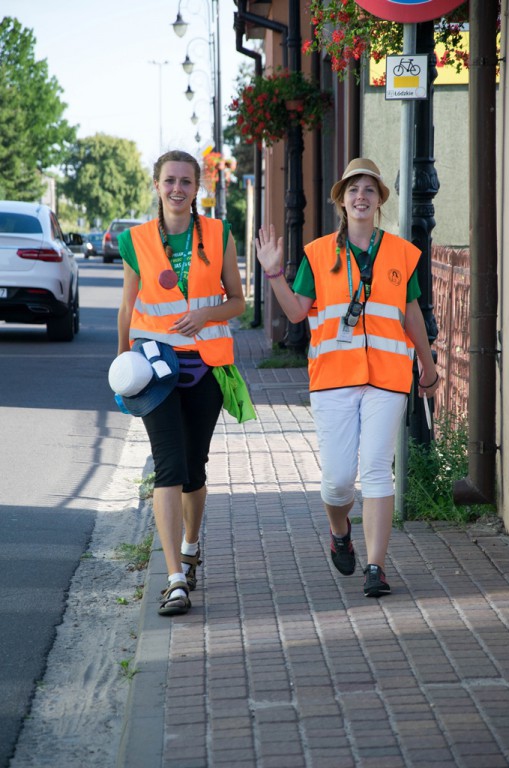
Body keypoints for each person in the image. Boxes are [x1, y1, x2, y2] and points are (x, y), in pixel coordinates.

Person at [255, 158, 440, 597]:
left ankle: (375, 567)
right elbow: (298, 313)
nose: (361, 197)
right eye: (353, 190)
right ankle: (340, 531)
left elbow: (411, 313)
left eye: (369, 191)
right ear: (342, 200)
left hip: (387, 379)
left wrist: (428, 366)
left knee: (377, 470)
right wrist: (273, 272)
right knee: (338, 480)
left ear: (378, 202)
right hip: (333, 380)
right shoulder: (318, 254)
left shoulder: (399, 253)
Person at [116, 149, 245, 616]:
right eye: (169, 180)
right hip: (155, 369)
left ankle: (191, 544)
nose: (177, 188)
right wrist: (122, 363)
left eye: (186, 181)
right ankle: (174, 579)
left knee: (195, 468)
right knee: (168, 466)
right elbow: (128, 309)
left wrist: (204, 315)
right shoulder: (136, 241)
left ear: (197, 188)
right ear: (156, 185)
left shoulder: (218, 233)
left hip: (206, 366)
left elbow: (237, 302)